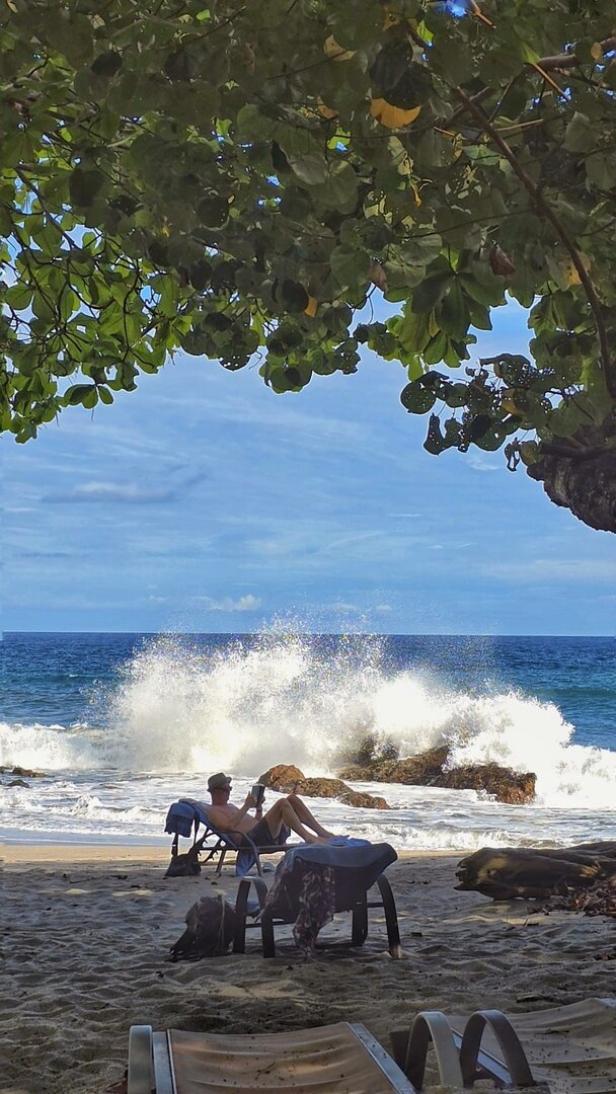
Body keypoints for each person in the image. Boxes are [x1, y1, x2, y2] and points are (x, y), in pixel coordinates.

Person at [206, 772, 336, 848]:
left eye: (230, 788)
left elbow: (256, 822)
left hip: (265, 834)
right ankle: (308, 838)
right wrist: (246, 806)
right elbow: (227, 827)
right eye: (227, 788)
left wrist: (258, 807)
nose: (229, 791)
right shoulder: (213, 811)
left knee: (292, 799)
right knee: (282, 803)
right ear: (215, 791)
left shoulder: (232, 806)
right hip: (252, 841)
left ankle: (322, 833)